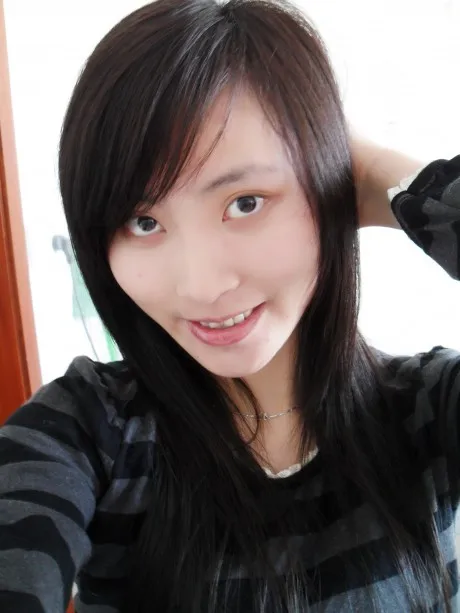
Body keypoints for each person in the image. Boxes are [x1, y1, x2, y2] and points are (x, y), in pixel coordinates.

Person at [0, 0, 459, 611]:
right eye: (143, 222)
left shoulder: (428, 411)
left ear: (329, 187)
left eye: (245, 202)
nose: (201, 286)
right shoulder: (85, 436)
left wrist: (385, 176)